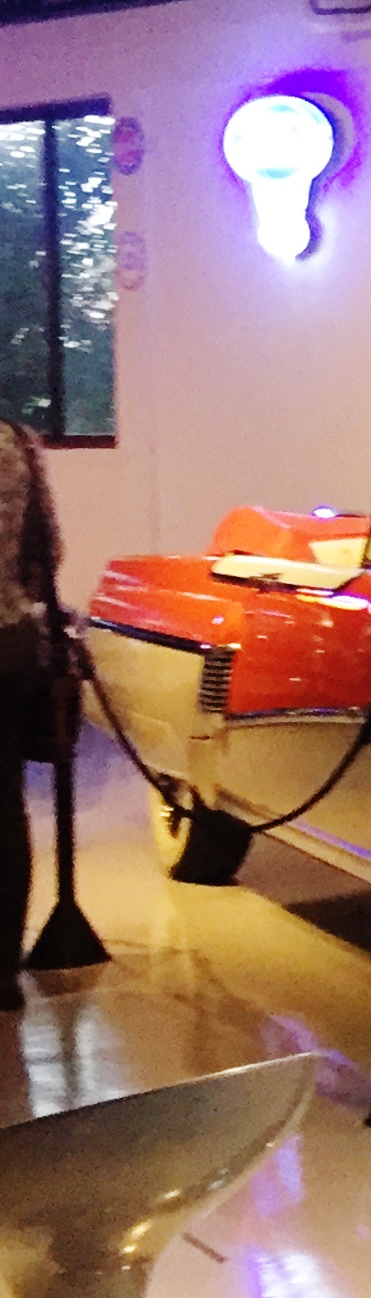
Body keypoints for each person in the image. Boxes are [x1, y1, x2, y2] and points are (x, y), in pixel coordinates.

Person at [0, 419, 65, 1009]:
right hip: (10, 644)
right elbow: (50, 554)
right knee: (5, 806)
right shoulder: (17, 442)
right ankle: (1, 974)